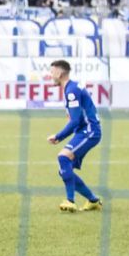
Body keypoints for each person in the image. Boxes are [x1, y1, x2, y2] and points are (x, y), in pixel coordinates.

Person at [47, 59, 102, 212]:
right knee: (65, 168)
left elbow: (75, 120)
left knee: (63, 158)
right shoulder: (70, 88)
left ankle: (70, 201)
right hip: (84, 131)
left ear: (59, 73)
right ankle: (93, 200)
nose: (50, 75)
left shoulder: (71, 91)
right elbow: (75, 120)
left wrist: (58, 136)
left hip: (90, 131)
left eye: (52, 72)